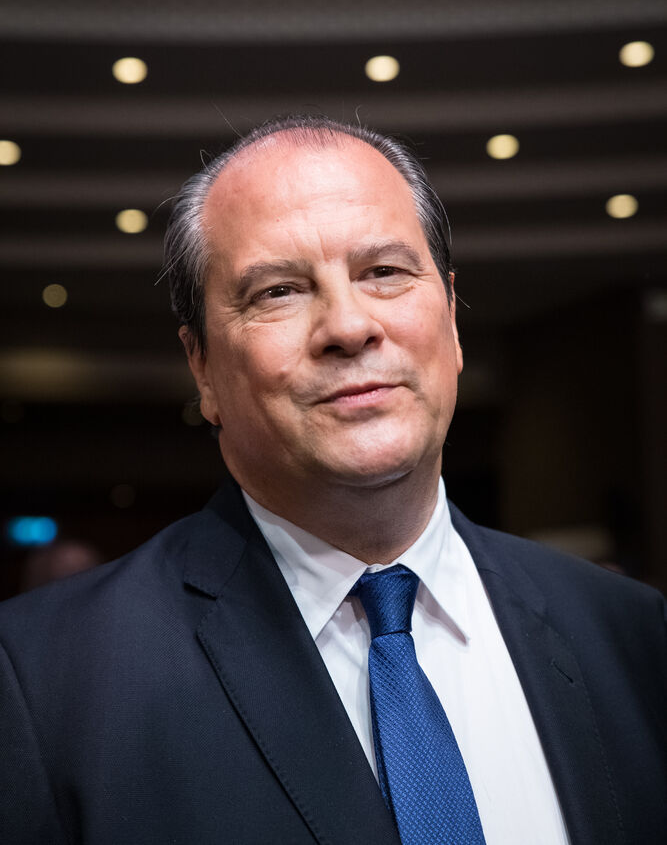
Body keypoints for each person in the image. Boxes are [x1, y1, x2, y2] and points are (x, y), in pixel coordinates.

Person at [0, 115, 665, 845]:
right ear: (202, 368)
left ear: (451, 319)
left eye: (384, 272)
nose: (348, 326)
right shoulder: (43, 680)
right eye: (278, 291)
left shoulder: (629, 634)